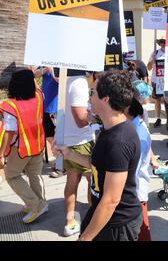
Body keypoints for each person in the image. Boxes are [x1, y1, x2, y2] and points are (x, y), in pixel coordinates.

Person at [54, 70, 142, 241]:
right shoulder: (107, 128)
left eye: (92, 92)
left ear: (106, 99)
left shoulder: (119, 141)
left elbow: (111, 200)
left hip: (117, 224)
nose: (88, 98)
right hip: (101, 214)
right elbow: (97, 165)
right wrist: (69, 153)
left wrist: (85, 238)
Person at [0, 68, 47, 223]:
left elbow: (9, 132)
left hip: (21, 149)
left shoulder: (10, 106)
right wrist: (32, 75)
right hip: (38, 145)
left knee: (11, 175)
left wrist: (1, 154)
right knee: (34, 175)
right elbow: (36, 87)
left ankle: (34, 205)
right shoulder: (39, 96)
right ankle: (41, 202)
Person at [57, 73, 96, 237]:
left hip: (68, 139)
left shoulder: (65, 81)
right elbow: (80, 120)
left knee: (72, 181)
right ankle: (92, 218)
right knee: (93, 180)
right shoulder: (79, 83)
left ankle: (70, 221)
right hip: (82, 141)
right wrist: (96, 117)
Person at [126, 97, 158, 241]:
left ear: (127, 111)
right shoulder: (136, 126)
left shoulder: (137, 134)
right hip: (136, 191)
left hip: (136, 194)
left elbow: (132, 169)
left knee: (142, 233)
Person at [33, 66, 63, 177]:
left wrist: (52, 71)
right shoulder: (46, 63)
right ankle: (61, 159)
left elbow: (61, 81)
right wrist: (45, 69)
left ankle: (62, 165)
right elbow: (35, 74)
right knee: (49, 135)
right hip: (45, 106)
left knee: (59, 136)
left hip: (56, 107)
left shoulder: (62, 66)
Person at [147, 39, 166, 127]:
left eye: (164, 42)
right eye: (161, 42)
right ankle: (158, 118)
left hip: (167, 81)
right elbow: (149, 68)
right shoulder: (155, 53)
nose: (163, 44)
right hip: (156, 80)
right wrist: (152, 61)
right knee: (157, 100)